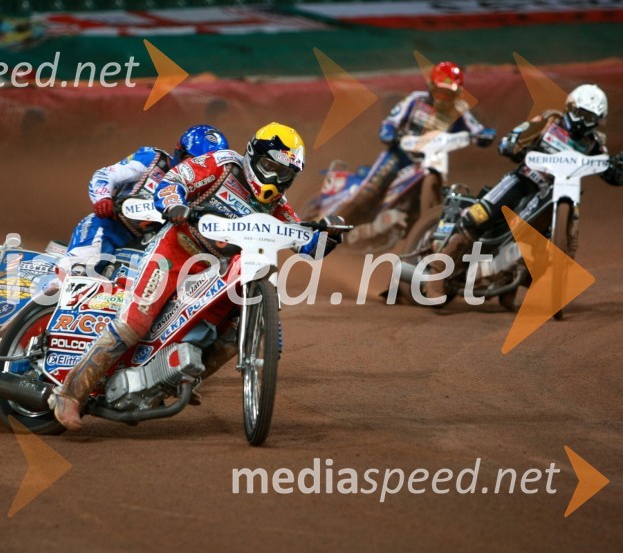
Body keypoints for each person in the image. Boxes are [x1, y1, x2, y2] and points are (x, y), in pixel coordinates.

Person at [49, 123, 345, 430]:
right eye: (269, 166)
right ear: (253, 156)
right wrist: (175, 204)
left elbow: (306, 246)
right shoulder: (222, 165)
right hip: (175, 252)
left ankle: (175, 378)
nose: (273, 178)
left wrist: (329, 235)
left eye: (283, 174)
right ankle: (69, 394)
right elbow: (174, 180)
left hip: (215, 271)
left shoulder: (277, 207)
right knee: (134, 323)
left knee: (231, 333)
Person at [425, 84, 623, 299]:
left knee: (548, 240)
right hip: (524, 179)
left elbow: (612, 174)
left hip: (559, 191)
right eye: (580, 114)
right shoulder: (549, 121)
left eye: (590, 118)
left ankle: (519, 276)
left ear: (599, 120)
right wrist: (512, 144)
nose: (583, 122)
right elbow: (516, 134)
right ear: (570, 108)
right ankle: (438, 270)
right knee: (481, 214)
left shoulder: (595, 143)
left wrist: (618, 166)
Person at [339, 61, 496, 225]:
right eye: (440, 91)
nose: (443, 97)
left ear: (458, 92)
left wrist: (485, 134)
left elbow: (477, 129)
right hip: (400, 156)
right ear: (431, 86)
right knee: (370, 190)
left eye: (449, 93)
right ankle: (332, 224)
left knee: (445, 192)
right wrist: (388, 132)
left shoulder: (460, 109)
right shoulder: (416, 100)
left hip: (432, 159)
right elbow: (391, 121)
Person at [63, 125, 229, 273]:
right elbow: (105, 174)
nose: (198, 168)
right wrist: (103, 198)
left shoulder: (209, 193)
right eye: (193, 161)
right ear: (180, 151)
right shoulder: (152, 159)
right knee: (75, 273)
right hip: (110, 229)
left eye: (207, 164)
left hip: (151, 249)